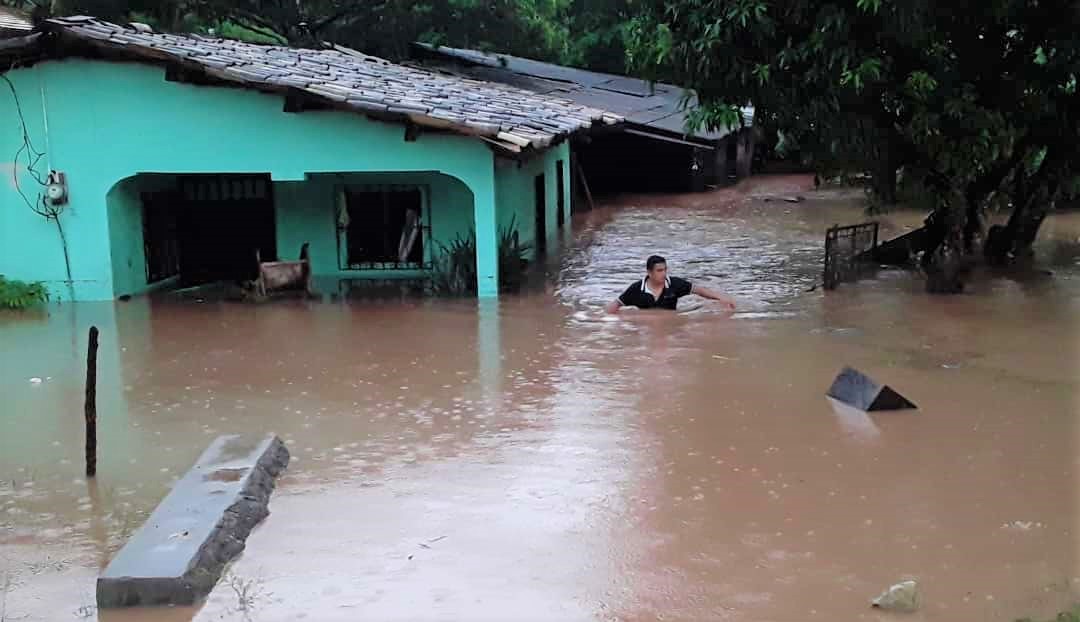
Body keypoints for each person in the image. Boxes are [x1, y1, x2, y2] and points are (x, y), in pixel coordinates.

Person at [605, 255, 736, 314]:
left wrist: (721, 298)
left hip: (671, 319)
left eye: (665, 269)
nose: (664, 273)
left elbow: (699, 290)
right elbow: (616, 304)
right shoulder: (636, 289)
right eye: (659, 271)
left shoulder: (674, 284)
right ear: (649, 272)